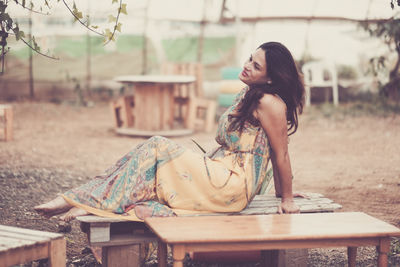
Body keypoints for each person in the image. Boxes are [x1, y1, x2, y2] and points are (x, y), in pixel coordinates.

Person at [34, 41, 305, 222]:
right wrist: (284, 194)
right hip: (219, 171)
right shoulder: (250, 93)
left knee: (157, 145)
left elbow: (280, 153)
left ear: (271, 78)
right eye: (250, 58)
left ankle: (82, 199)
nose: (247, 65)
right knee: (151, 161)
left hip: (232, 185)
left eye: (256, 66)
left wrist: (288, 198)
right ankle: (87, 200)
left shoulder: (270, 103)